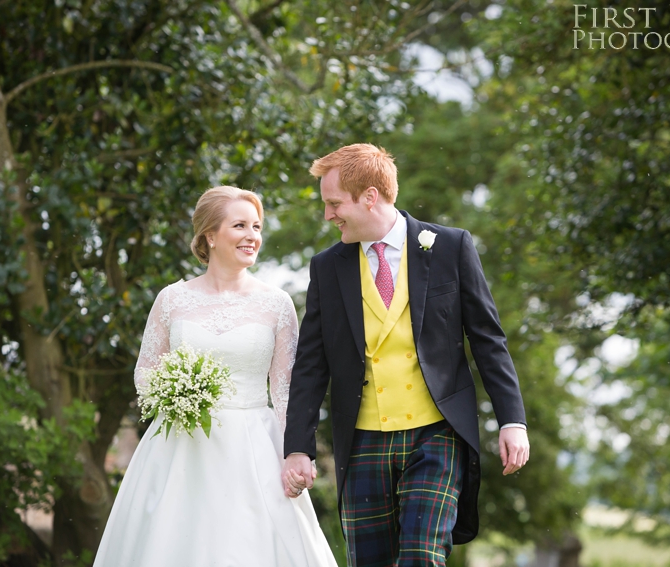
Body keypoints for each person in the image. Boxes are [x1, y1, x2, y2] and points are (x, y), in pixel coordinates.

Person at [281, 144, 530, 567]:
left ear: (370, 196)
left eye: (334, 203)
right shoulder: (327, 266)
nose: (328, 215)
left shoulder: (451, 247)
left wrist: (512, 419)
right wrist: (297, 447)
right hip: (362, 440)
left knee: (421, 556)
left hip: (436, 433)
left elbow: (488, 339)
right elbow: (310, 363)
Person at [94, 186, 337, 566]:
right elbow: (145, 372)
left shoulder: (277, 304)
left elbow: (286, 389)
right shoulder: (171, 300)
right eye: (239, 225)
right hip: (180, 444)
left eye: (256, 226)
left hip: (254, 445)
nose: (252, 236)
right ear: (210, 235)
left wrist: (296, 451)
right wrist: (175, 394)